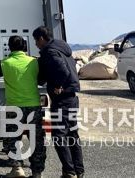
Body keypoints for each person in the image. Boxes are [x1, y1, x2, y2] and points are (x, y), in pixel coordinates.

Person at [0, 35, 46, 178]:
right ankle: (37, 172)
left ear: (9, 47)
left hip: (13, 107)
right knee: (36, 139)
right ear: (24, 47)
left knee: (12, 138)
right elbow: (41, 80)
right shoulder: (34, 61)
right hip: (33, 105)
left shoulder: (4, 63)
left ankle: (17, 168)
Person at [33, 26, 84, 178]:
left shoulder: (50, 52)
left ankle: (69, 171)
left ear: (41, 38)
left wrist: (58, 86)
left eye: (36, 41)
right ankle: (78, 171)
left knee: (58, 135)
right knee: (72, 134)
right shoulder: (62, 48)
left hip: (62, 100)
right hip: (72, 98)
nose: (36, 44)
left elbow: (63, 71)